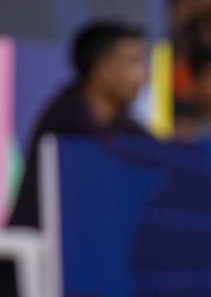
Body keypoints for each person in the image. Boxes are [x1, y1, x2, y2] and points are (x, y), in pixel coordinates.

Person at [9, 22, 150, 230]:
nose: (143, 75)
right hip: (40, 250)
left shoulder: (124, 125)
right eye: (133, 62)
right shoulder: (67, 118)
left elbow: (157, 156)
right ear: (103, 69)